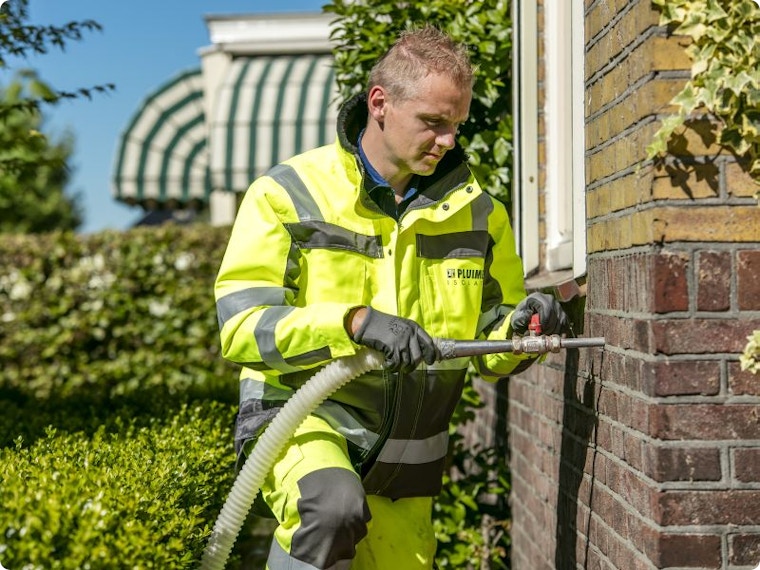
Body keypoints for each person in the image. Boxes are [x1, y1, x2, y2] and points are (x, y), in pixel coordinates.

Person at [214, 25, 567, 570]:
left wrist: (521, 331)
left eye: (456, 125)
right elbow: (242, 328)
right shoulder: (287, 195)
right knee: (329, 510)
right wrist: (352, 323)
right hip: (303, 422)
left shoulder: (481, 216)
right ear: (380, 103)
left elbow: (493, 350)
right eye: (433, 122)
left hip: (408, 460)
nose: (448, 140)